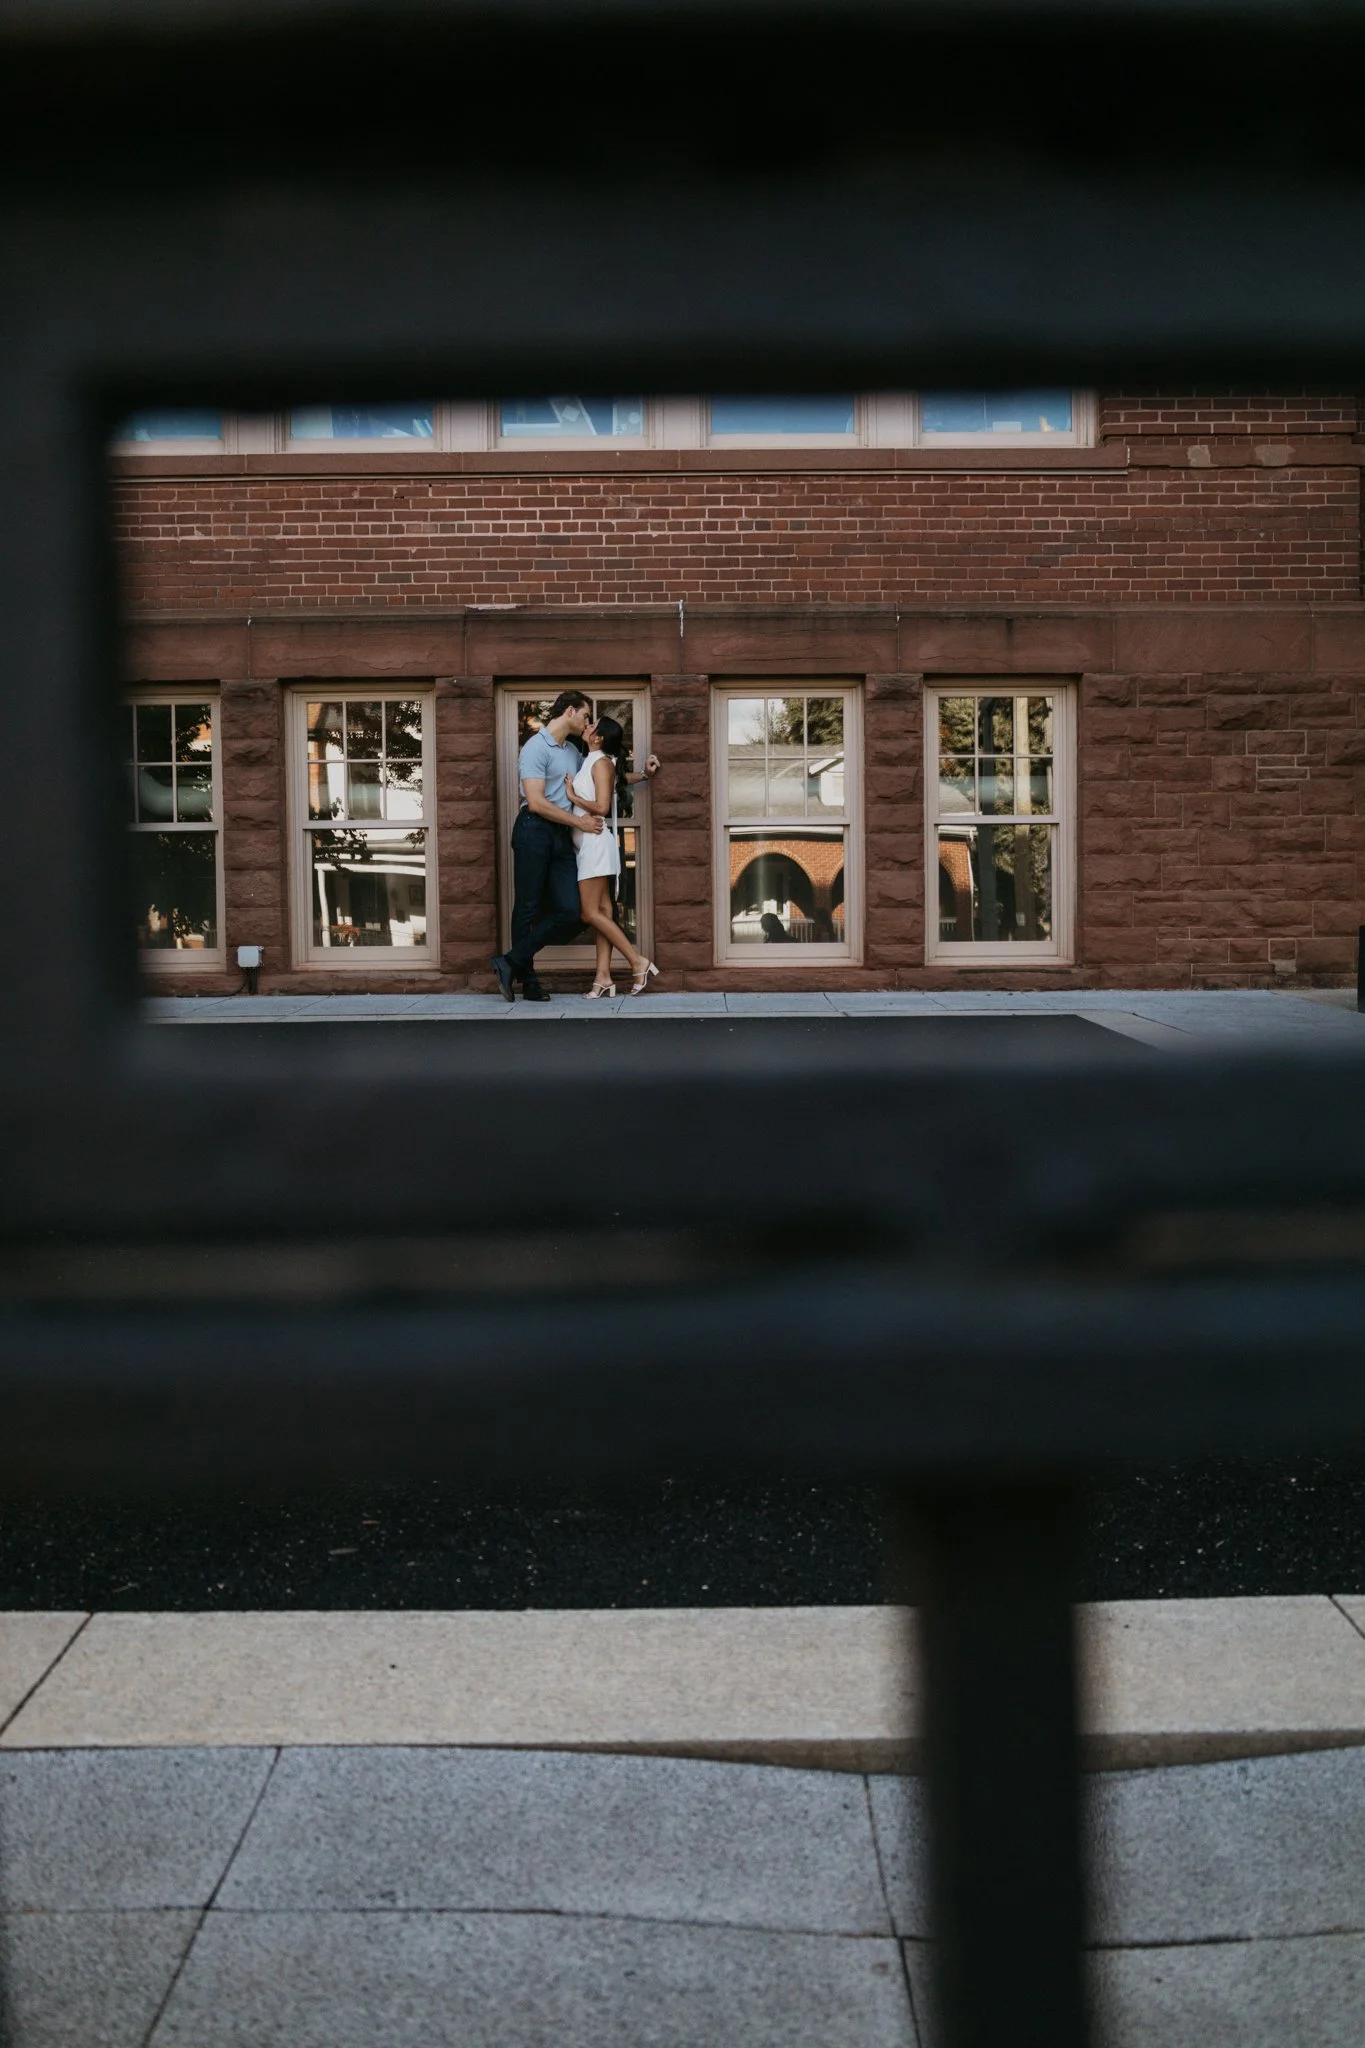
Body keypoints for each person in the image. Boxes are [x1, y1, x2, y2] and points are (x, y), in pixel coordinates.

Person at [489, 690, 601, 1002]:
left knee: (571, 911)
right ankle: (528, 980)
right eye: (585, 715)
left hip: (561, 834)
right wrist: (579, 822)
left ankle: (509, 961)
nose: (587, 722)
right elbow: (536, 802)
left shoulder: (572, 752)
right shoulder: (535, 748)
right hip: (534, 830)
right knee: (527, 906)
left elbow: (602, 777)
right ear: (569, 711)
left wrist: (643, 775)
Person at [567, 714, 661, 996]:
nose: (588, 726)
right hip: (589, 845)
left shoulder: (601, 763)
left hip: (595, 844)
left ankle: (637, 961)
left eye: (593, 726)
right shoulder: (596, 761)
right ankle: (603, 977)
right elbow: (619, 781)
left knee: (589, 913)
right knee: (604, 911)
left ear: (598, 738)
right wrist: (645, 774)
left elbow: (603, 805)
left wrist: (572, 797)